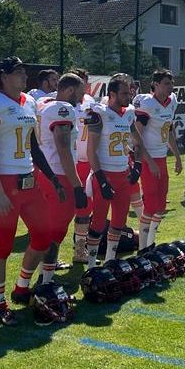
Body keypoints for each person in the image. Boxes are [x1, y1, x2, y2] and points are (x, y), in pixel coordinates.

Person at [0, 56, 51, 326]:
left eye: (24, 72)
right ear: (4, 77)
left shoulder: (28, 101)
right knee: (3, 244)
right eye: (18, 73)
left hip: (28, 178)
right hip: (5, 181)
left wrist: (50, 178)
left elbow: (32, 145)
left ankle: (21, 287)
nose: (23, 77)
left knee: (45, 232)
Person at [84, 73, 154, 267]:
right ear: (112, 94)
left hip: (123, 173)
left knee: (119, 221)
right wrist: (101, 179)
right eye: (124, 93)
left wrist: (138, 165)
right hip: (104, 173)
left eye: (129, 93)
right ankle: (90, 264)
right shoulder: (99, 113)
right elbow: (91, 151)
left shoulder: (129, 112)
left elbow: (138, 142)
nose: (128, 97)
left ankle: (109, 261)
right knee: (98, 222)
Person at [34, 73, 88, 287]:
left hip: (48, 171)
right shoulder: (62, 109)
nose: (82, 98)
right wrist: (77, 185)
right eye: (81, 93)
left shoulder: (45, 103)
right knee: (56, 230)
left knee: (53, 228)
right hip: (59, 173)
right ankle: (44, 281)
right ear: (70, 90)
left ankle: (45, 274)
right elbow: (63, 148)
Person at [133, 69, 182, 250]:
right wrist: (149, 161)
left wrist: (177, 156)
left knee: (161, 205)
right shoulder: (147, 103)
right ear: (155, 84)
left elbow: (169, 130)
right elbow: (135, 135)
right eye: (167, 83)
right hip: (148, 158)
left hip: (161, 157)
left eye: (172, 83)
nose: (171, 87)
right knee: (151, 204)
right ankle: (142, 247)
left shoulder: (171, 102)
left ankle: (150, 242)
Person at [69, 68, 98, 262]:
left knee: (86, 210)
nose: (83, 87)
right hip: (69, 162)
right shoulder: (59, 103)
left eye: (85, 82)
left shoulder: (90, 102)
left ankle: (80, 249)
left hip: (88, 162)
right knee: (62, 212)